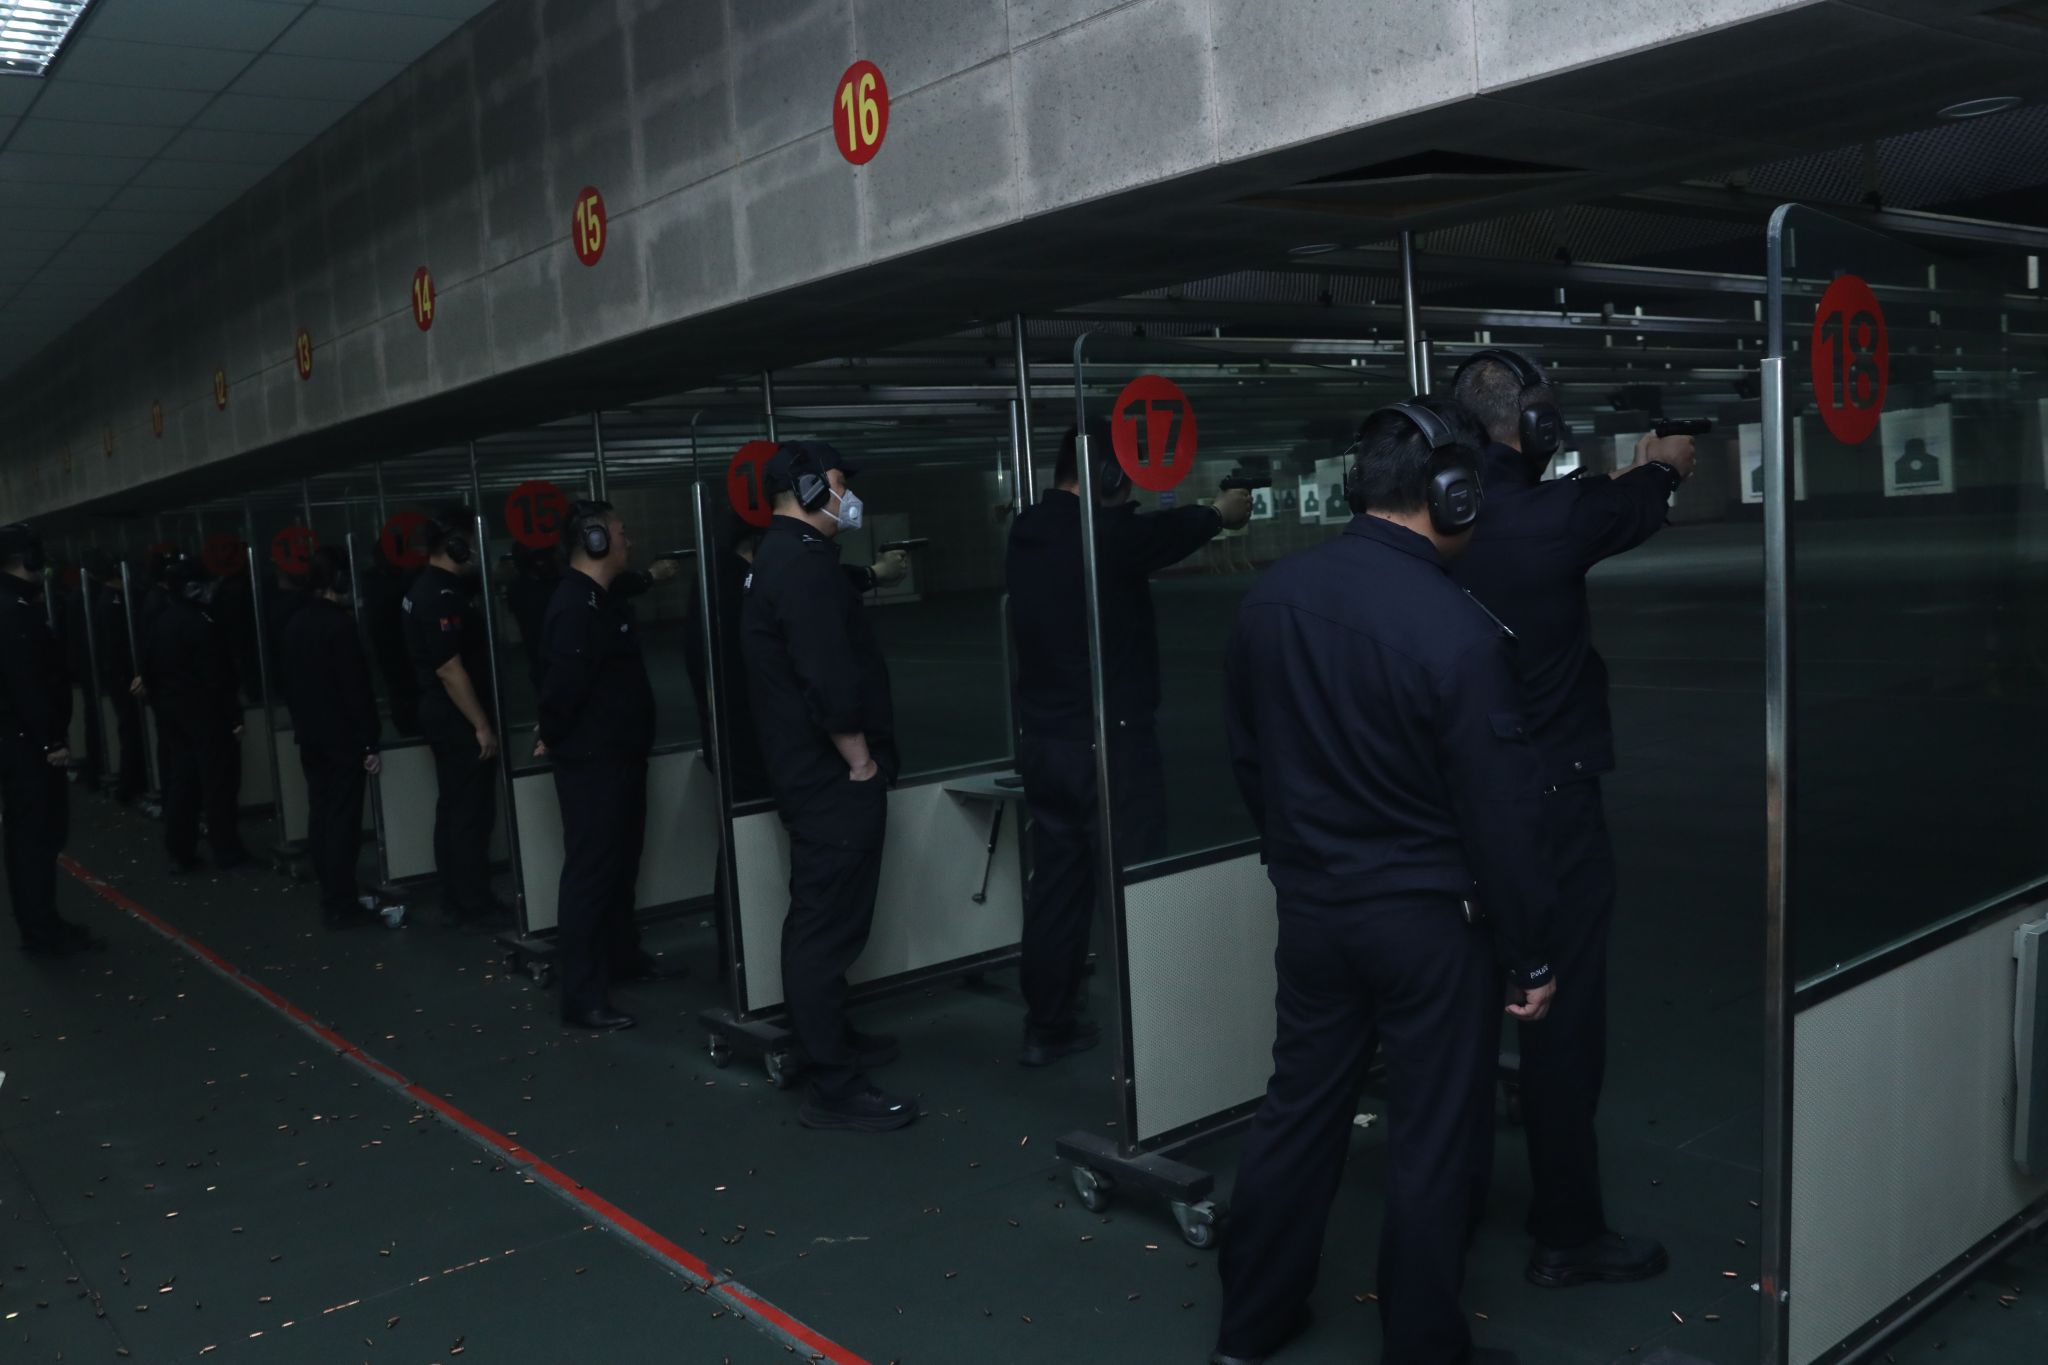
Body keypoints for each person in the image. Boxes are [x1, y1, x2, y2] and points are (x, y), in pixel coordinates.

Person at [1215, 397, 1557, 1365]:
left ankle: (1249, 1325)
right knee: (1432, 1135)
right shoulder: (1457, 632)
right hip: (1426, 925)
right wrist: (1531, 951)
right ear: (1451, 496)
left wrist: (1303, 855)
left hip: (1313, 909)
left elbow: (1250, 760)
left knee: (1297, 1110)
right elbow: (1501, 814)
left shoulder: (1271, 599)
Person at [1447, 348, 1696, 1289]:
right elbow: (1633, 503)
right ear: (1537, 427)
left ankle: (1452, 1205)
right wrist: (1664, 463)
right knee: (1562, 1020)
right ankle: (1567, 1229)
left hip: (1447, 805)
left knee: (1458, 1013)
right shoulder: (1553, 515)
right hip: (1550, 803)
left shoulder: (1434, 521)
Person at [1003, 418, 1252, 1064]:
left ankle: (1047, 1024)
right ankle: (1159, 1039)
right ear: (1108, 473)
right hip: (1108, 745)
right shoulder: (1100, 537)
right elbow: (1146, 536)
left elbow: (1130, 533)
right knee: (1141, 885)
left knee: (1058, 889)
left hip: (1048, 743)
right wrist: (1218, 513)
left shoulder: (1030, 529)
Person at [740, 441, 914, 1133]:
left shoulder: (783, 557)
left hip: (807, 772)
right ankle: (832, 1082)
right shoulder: (802, 565)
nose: (848, 496)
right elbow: (828, 677)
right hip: (829, 777)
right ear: (811, 489)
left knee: (827, 919)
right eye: (839, 483)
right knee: (825, 926)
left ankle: (830, 1040)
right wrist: (860, 761)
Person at [535, 501, 665, 1031]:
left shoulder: (601, 599)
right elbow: (562, 689)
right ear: (594, 540)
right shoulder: (575, 606)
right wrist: (555, 735)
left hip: (618, 757)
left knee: (619, 866)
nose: (628, 540)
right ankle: (583, 996)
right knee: (591, 875)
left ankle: (620, 958)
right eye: (620, 531)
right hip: (594, 764)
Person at [0, 526, 105, 956]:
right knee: (35, 839)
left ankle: (42, 925)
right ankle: (42, 932)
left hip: (19, 741)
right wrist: (50, 741)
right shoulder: (14, 612)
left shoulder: (12, 607)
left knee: (32, 839)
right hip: (27, 745)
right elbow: (28, 683)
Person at [401, 505, 505, 927]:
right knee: (470, 813)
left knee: (454, 807)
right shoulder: (439, 595)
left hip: (443, 715)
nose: (476, 550)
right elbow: (449, 668)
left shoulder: (429, 588)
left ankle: (457, 895)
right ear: (456, 545)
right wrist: (481, 725)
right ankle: (472, 901)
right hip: (456, 718)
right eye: (471, 542)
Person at [282, 547, 388, 931]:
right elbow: (356, 690)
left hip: (312, 735)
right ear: (338, 581)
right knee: (343, 822)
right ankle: (342, 901)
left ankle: (332, 893)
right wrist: (369, 742)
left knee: (322, 813)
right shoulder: (340, 627)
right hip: (342, 738)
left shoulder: (295, 622)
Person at [137, 553, 251, 873]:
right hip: (206, 713)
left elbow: (148, 669)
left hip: (172, 712)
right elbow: (218, 677)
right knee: (218, 785)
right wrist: (234, 716)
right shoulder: (203, 624)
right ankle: (226, 849)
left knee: (182, 782)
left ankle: (180, 849)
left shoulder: (161, 621)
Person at [88, 554, 147, 804]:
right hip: (122, 676)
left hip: (119, 675)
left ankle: (130, 783)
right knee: (130, 728)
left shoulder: (110, 600)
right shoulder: (111, 602)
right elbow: (116, 645)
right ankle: (129, 784)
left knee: (130, 728)